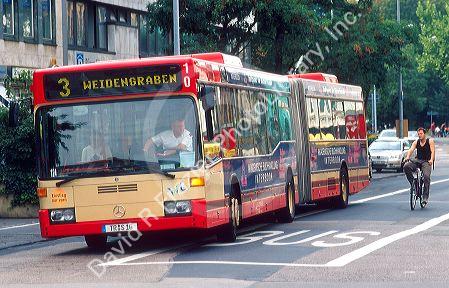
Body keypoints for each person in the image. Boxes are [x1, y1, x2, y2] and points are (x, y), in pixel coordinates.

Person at [403, 127, 435, 204]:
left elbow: (433, 151)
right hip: (418, 160)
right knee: (406, 166)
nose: (419, 135)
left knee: (426, 177)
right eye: (418, 134)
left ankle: (425, 197)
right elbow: (411, 150)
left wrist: (431, 159)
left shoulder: (430, 141)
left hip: (426, 162)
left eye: (421, 134)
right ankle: (414, 184)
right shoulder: (416, 142)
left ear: (424, 134)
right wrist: (407, 157)